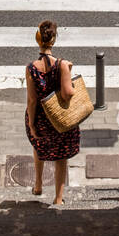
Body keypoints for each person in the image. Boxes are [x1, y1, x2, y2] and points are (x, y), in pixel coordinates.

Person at [24, 19, 80, 205]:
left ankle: (38, 184)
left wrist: (32, 124)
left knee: (38, 148)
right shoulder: (62, 65)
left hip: (40, 118)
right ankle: (58, 198)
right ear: (54, 40)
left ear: (38, 40)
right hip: (60, 119)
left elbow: (32, 100)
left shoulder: (31, 68)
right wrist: (68, 72)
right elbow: (68, 94)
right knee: (61, 157)